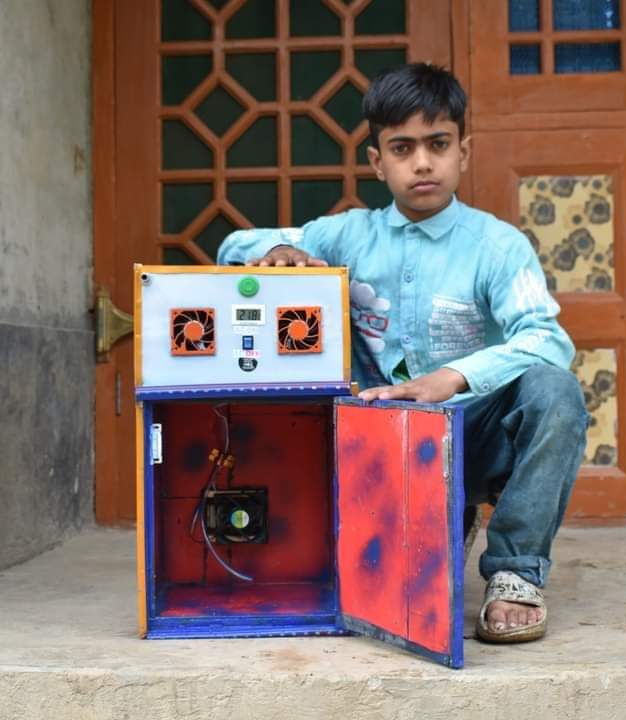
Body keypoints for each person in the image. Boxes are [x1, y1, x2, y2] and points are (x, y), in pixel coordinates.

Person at [217, 63, 588, 644]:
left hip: (475, 431)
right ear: (377, 162)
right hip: (377, 443)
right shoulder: (347, 236)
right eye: (403, 147)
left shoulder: (497, 246)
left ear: (463, 152)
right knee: (378, 600)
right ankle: (440, 522)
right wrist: (281, 248)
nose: (422, 163)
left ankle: (515, 570)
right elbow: (232, 249)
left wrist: (453, 378)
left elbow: (547, 339)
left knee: (555, 391)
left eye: (438, 144)